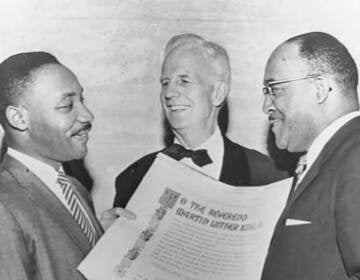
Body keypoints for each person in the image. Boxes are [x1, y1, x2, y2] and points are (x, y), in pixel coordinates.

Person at [114, 33, 288, 208]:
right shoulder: (133, 177)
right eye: (165, 82)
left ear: (218, 93)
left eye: (184, 81)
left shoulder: (266, 175)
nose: (169, 93)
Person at [0, 52, 132, 280]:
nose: (87, 116)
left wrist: (101, 241)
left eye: (83, 100)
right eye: (67, 105)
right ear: (19, 119)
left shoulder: (75, 188)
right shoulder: (4, 205)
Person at [261, 32, 360, 280]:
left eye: (275, 89)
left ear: (318, 89)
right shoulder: (335, 156)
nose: (266, 106)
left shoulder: (355, 156)